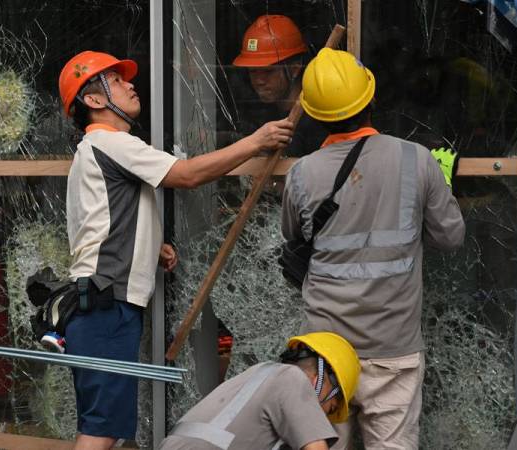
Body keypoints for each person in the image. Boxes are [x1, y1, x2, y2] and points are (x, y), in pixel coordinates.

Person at [58, 50, 293, 450]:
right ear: (94, 101)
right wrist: (255, 142)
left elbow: (101, 222)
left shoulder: (92, 152)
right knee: (99, 431)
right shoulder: (111, 141)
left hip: (97, 304)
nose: (131, 84)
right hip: (106, 305)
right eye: (116, 81)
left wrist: (153, 246)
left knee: (106, 425)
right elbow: (186, 175)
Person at [281, 49, 466, 449]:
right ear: (372, 98)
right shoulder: (417, 161)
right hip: (393, 349)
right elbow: (450, 238)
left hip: (325, 349)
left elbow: (294, 237)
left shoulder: (301, 174)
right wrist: (435, 190)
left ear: (313, 114)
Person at [159, 332, 360, 450]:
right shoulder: (294, 379)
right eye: (330, 409)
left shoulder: (259, 374)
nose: (324, 418)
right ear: (318, 381)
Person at [231, 14, 328, 157]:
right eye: (253, 71)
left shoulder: (318, 124)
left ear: (294, 69)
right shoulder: (258, 116)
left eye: (268, 72)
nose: (259, 81)